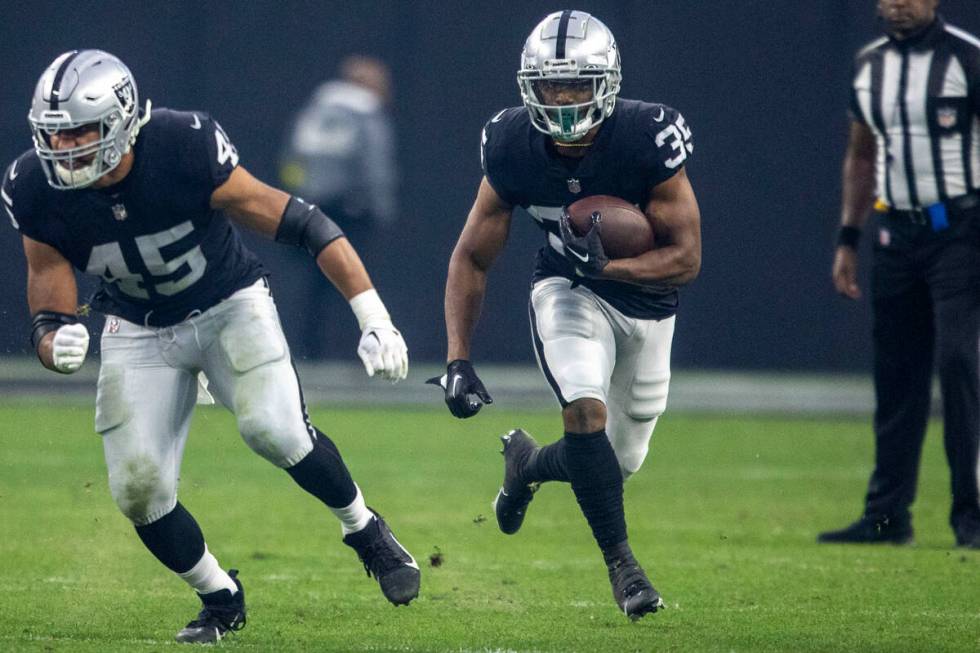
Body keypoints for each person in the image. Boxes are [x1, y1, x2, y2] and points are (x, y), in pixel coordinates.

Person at [2, 50, 420, 644]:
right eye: (54, 134)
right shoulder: (35, 186)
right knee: (139, 491)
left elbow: (303, 222)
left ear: (122, 120)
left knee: (274, 430)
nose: (65, 148)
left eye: (80, 131)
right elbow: (48, 288)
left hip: (228, 305)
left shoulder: (181, 146)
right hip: (138, 327)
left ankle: (366, 530)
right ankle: (220, 595)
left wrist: (372, 315)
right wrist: (52, 338)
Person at [433, 11, 701, 620]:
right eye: (552, 85)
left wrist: (613, 269)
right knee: (584, 410)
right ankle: (624, 569)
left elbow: (687, 259)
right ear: (530, 86)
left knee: (618, 460)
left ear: (606, 83)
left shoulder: (645, 135)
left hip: (648, 301)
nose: (563, 99)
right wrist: (457, 357)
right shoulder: (510, 145)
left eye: (577, 85)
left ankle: (527, 465)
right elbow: (472, 255)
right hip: (567, 290)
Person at [819, 0, 980, 548]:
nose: (896, 3)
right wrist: (848, 237)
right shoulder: (870, 64)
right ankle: (888, 516)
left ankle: (971, 514)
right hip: (895, 234)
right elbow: (861, 155)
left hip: (961, 227)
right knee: (896, 376)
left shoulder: (968, 59)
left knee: (959, 361)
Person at [277, 55, 397, 359]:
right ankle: (351, 353)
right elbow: (375, 167)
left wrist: (300, 193)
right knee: (353, 284)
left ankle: (309, 353)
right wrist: (379, 207)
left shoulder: (314, 111)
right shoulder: (367, 115)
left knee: (311, 288)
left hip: (308, 207)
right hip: (351, 210)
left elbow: (291, 162)